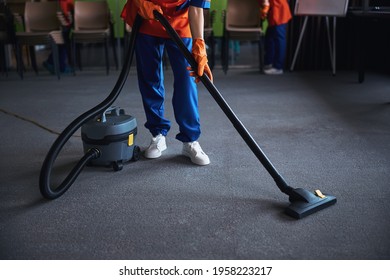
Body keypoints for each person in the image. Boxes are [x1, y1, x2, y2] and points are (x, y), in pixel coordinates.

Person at [121, 0, 213, 166]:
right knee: (150, 78)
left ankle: (190, 140)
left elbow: (197, 7)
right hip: (147, 16)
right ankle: (157, 134)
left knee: (187, 80)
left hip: (180, 21)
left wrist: (199, 44)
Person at [260, 0, 292, 75]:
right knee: (270, 38)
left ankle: (278, 67)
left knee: (279, 39)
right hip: (274, 11)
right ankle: (269, 62)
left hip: (278, 11)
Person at [43, 0, 74, 74]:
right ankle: (61, 67)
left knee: (61, 42)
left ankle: (51, 62)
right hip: (63, 21)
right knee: (64, 41)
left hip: (52, 20)